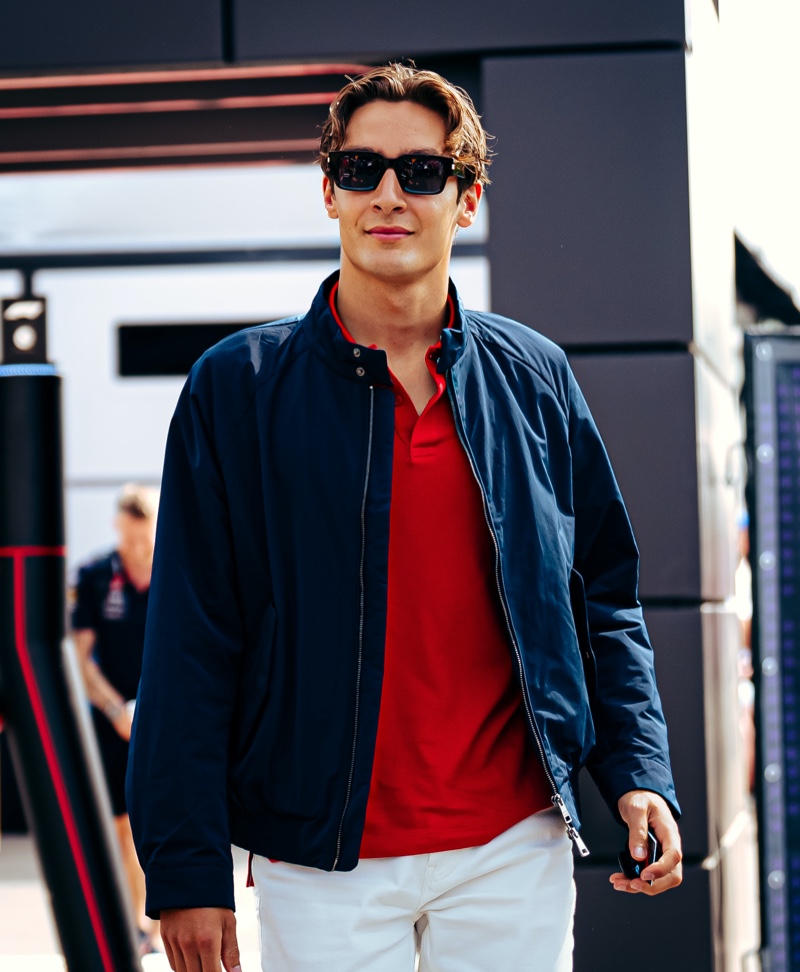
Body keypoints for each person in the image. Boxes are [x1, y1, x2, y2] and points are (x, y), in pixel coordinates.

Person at [128, 62, 683, 972]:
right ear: (330, 193)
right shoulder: (238, 389)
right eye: (361, 170)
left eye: (421, 172)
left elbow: (603, 602)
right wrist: (185, 870)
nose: (389, 193)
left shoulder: (534, 377)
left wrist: (637, 772)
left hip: (513, 846)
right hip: (322, 859)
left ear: (465, 200)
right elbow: (190, 640)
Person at [71, 483, 160, 955]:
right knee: (123, 829)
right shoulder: (94, 575)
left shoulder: (175, 569)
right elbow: (81, 659)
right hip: (112, 722)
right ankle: (137, 929)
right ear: (116, 528)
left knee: (163, 821)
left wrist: (149, 706)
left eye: (145, 541)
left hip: (162, 716)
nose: (137, 551)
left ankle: (161, 926)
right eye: (129, 541)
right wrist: (115, 709)